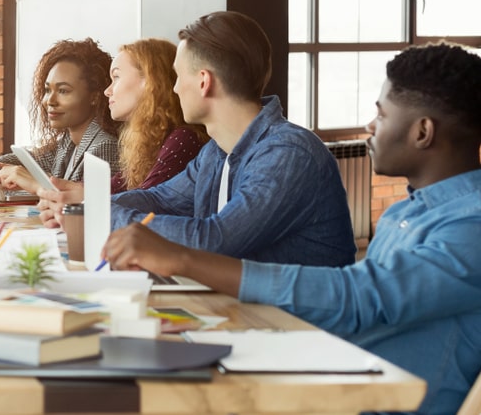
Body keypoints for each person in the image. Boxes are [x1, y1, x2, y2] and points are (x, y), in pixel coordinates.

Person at [103, 42, 481, 415]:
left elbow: (358, 296)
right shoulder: (409, 211)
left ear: (422, 132)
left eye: (381, 116)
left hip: (371, 403)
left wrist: (183, 258)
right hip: (332, 377)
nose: (369, 125)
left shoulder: (469, 227)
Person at [111, 11, 355, 266]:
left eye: (179, 76)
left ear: (204, 81)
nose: (174, 88)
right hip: (239, 304)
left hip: (290, 307)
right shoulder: (216, 151)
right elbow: (160, 199)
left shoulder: (289, 153)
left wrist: (109, 217)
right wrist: (91, 208)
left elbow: (215, 241)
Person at [35, 39, 209, 228]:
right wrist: (66, 194)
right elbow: (116, 187)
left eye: (116, 77)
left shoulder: (183, 139)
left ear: (150, 82)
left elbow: (146, 202)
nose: (107, 91)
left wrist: (79, 203)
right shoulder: (144, 141)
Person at [0, 37, 120, 195]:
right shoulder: (70, 140)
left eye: (63, 91)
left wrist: (32, 182)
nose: (49, 100)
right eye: (48, 90)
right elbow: (33, 160)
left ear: (95, 97)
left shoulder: (104, 147)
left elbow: (91, 208)